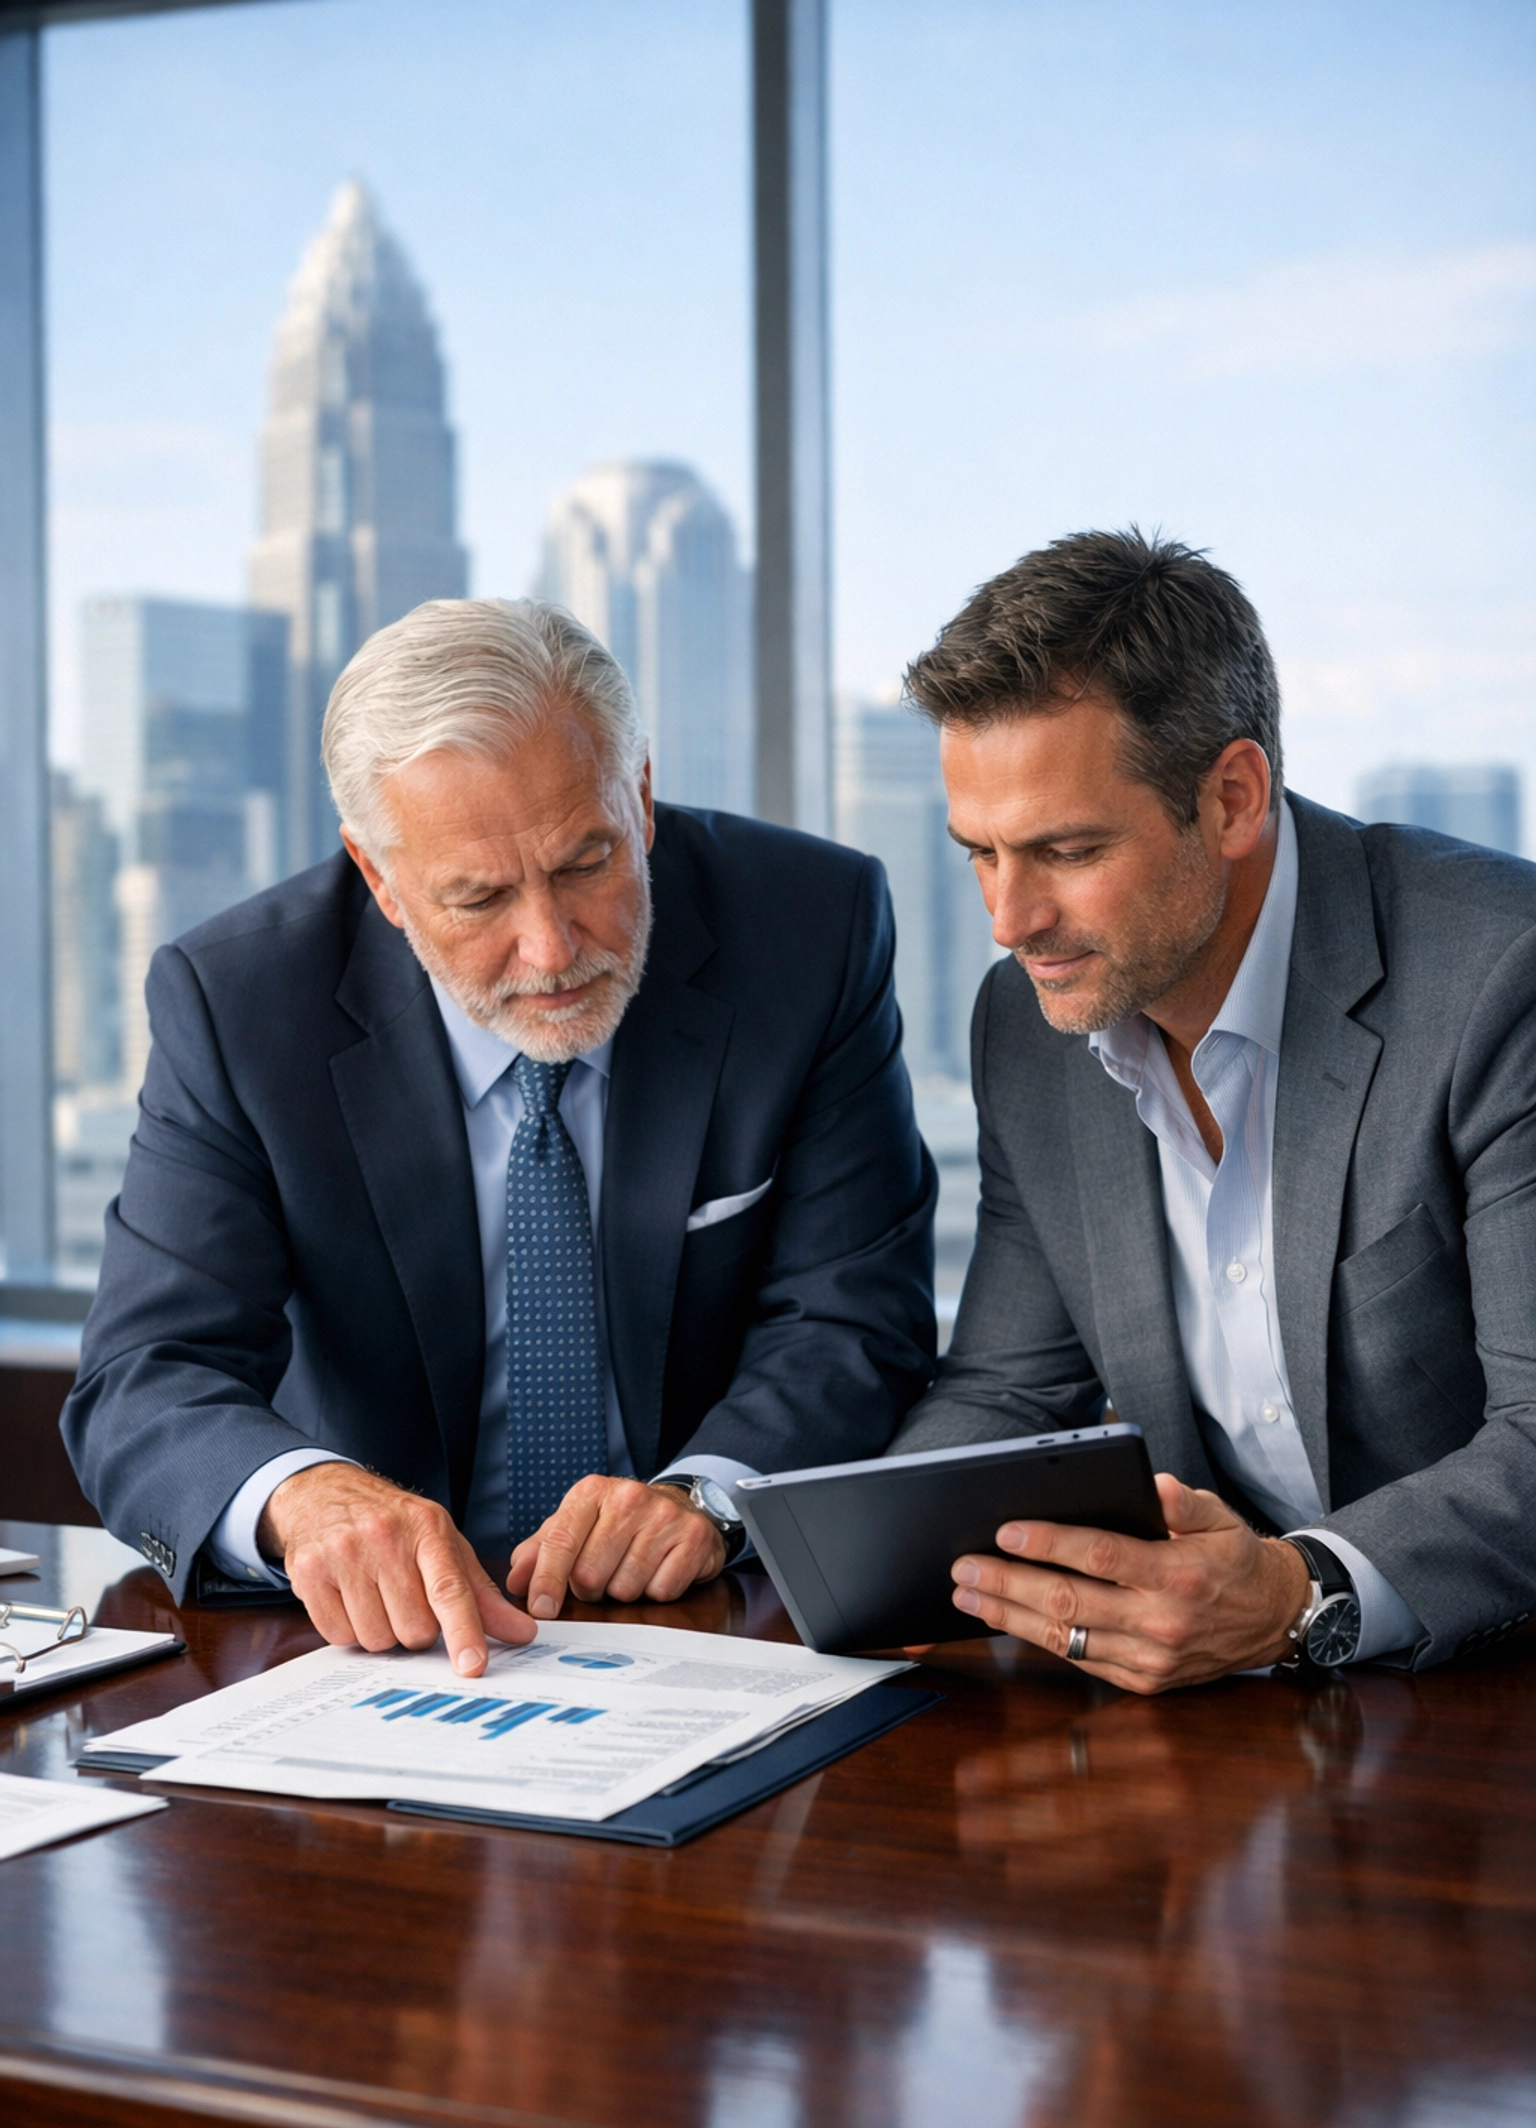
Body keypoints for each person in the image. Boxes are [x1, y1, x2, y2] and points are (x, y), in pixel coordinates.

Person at [65, 599, 936, 1673]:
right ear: (380, 877)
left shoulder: (809, 924)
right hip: (391, 1654)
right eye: (478, 897)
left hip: (706, 1626)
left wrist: (710, 1493)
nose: (552, 945)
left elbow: (855, 1320)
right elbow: (145, 1378)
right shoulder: (240, 1001)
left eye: (586, 863)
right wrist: (304, 1501)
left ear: (643, 798)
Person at [893, 528, 1536, 1689]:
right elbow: (1008, 1386)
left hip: (1487, 1682)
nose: (1009, 918)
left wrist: (1302, 1594)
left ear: (1233, 797)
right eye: (978, 854)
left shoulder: (1499, 975)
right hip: (1232, 1717)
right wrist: (877, 1565)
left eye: (1067, 849)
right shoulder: (1029, 1025)